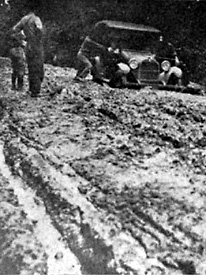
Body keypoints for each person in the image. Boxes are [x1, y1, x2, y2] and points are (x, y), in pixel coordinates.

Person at [12, 10, 44, 97]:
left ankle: (31, 89)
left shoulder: (24, 19)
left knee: (31, 67)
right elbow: (39, 29)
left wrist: (22, 40)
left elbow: (15, 29)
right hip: (36, 45)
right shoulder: (36, 18)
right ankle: (36, 91)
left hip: (28, 46)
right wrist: (38, 38)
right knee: (38, 67)